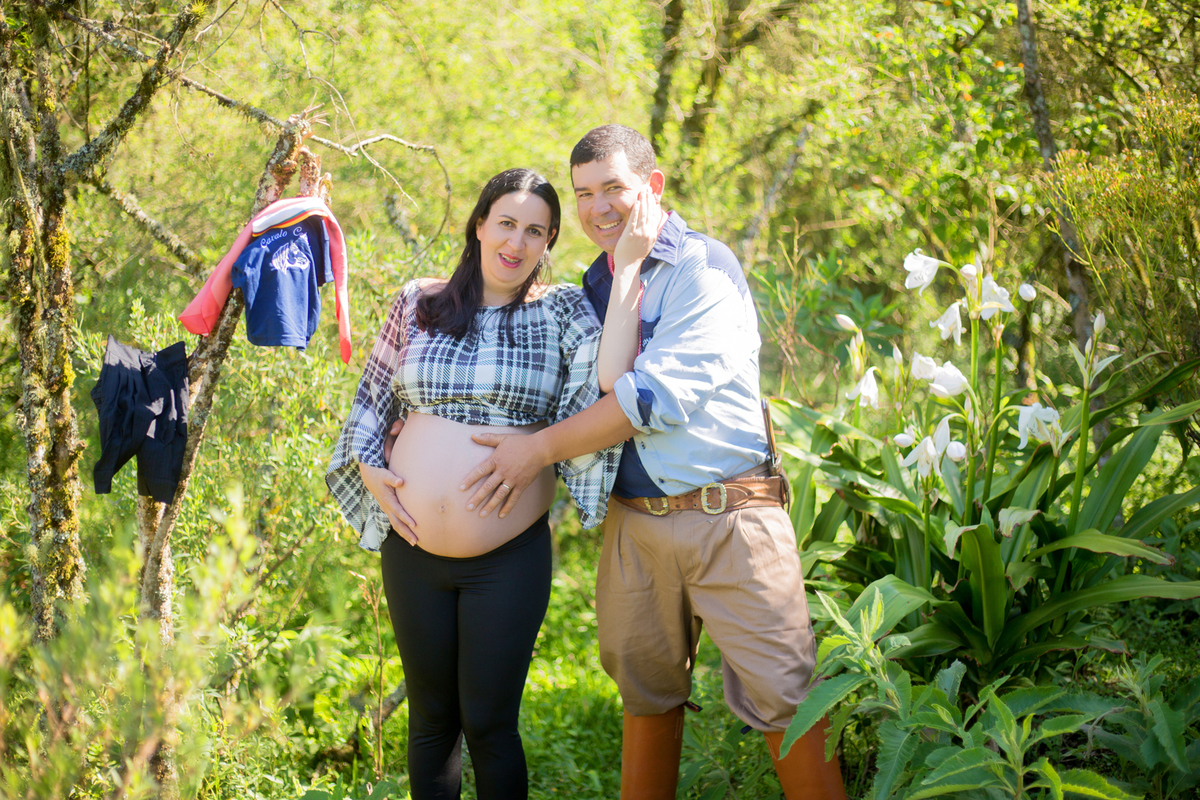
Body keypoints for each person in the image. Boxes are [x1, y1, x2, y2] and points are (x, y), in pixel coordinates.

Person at [459, 127, 847, 800]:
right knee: (645, 692)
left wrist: (540, 450)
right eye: (583, 194)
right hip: (635, 523)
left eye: (614, 188)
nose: (597, 209)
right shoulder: (594, 281)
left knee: (785, 695)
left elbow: (647, 399)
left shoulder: (704, 267)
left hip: (729, 516)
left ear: (653, 187)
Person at [325, 167, 652, 799]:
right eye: (506, 223)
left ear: (549, 243)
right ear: (479, 225)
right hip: (411, 547)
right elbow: (371, 396)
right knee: (430, 723)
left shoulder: (560, 312)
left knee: (490, 724)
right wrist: (369, 464)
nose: (517, 242)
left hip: (506, 559)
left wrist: (630, 272)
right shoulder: (418, 301)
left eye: (536, 231)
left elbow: (608, 386)